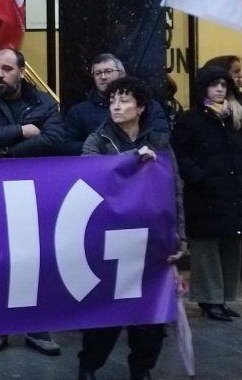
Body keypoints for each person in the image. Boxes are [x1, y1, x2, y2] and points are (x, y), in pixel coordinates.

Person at [78, 76, 185, 380]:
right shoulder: (96, 140)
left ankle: (142, 369)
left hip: (150, 243)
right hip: (108, 242)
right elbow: (90, 178)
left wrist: (181, 239)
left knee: (150, 317)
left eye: (124, 100)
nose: (116, 106)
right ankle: (89, 366)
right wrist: (131, 160)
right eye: (112, 101)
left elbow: (174, 191)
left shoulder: (160, 142)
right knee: (104, 316)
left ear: (140, 108)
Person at [0, 48, 64, 356]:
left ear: (21, 71)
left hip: (34, 190)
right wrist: (22, 131)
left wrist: (6, 151)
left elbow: (54, 140)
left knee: (35, 258)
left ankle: (37, 327)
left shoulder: (42, 102)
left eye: (6, 69)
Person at [172, 65, 242, 324]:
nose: (220, 89)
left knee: (230, 247)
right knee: (206, 249)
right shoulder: (190, 120)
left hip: (232, 193)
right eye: (214, 85)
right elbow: (181, 154)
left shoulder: (235, 119)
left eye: (224, 85)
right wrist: (199, 177)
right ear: (204, 88)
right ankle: (209, 299)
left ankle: (222, 298)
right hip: (204, 195)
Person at [63, 53, 169, 155]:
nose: (103, 77)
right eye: (98, 73)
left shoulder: (150, 107)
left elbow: (163, 142)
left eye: (108, 71)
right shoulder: (80, 113)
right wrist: (103, 148)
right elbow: (69, 147)